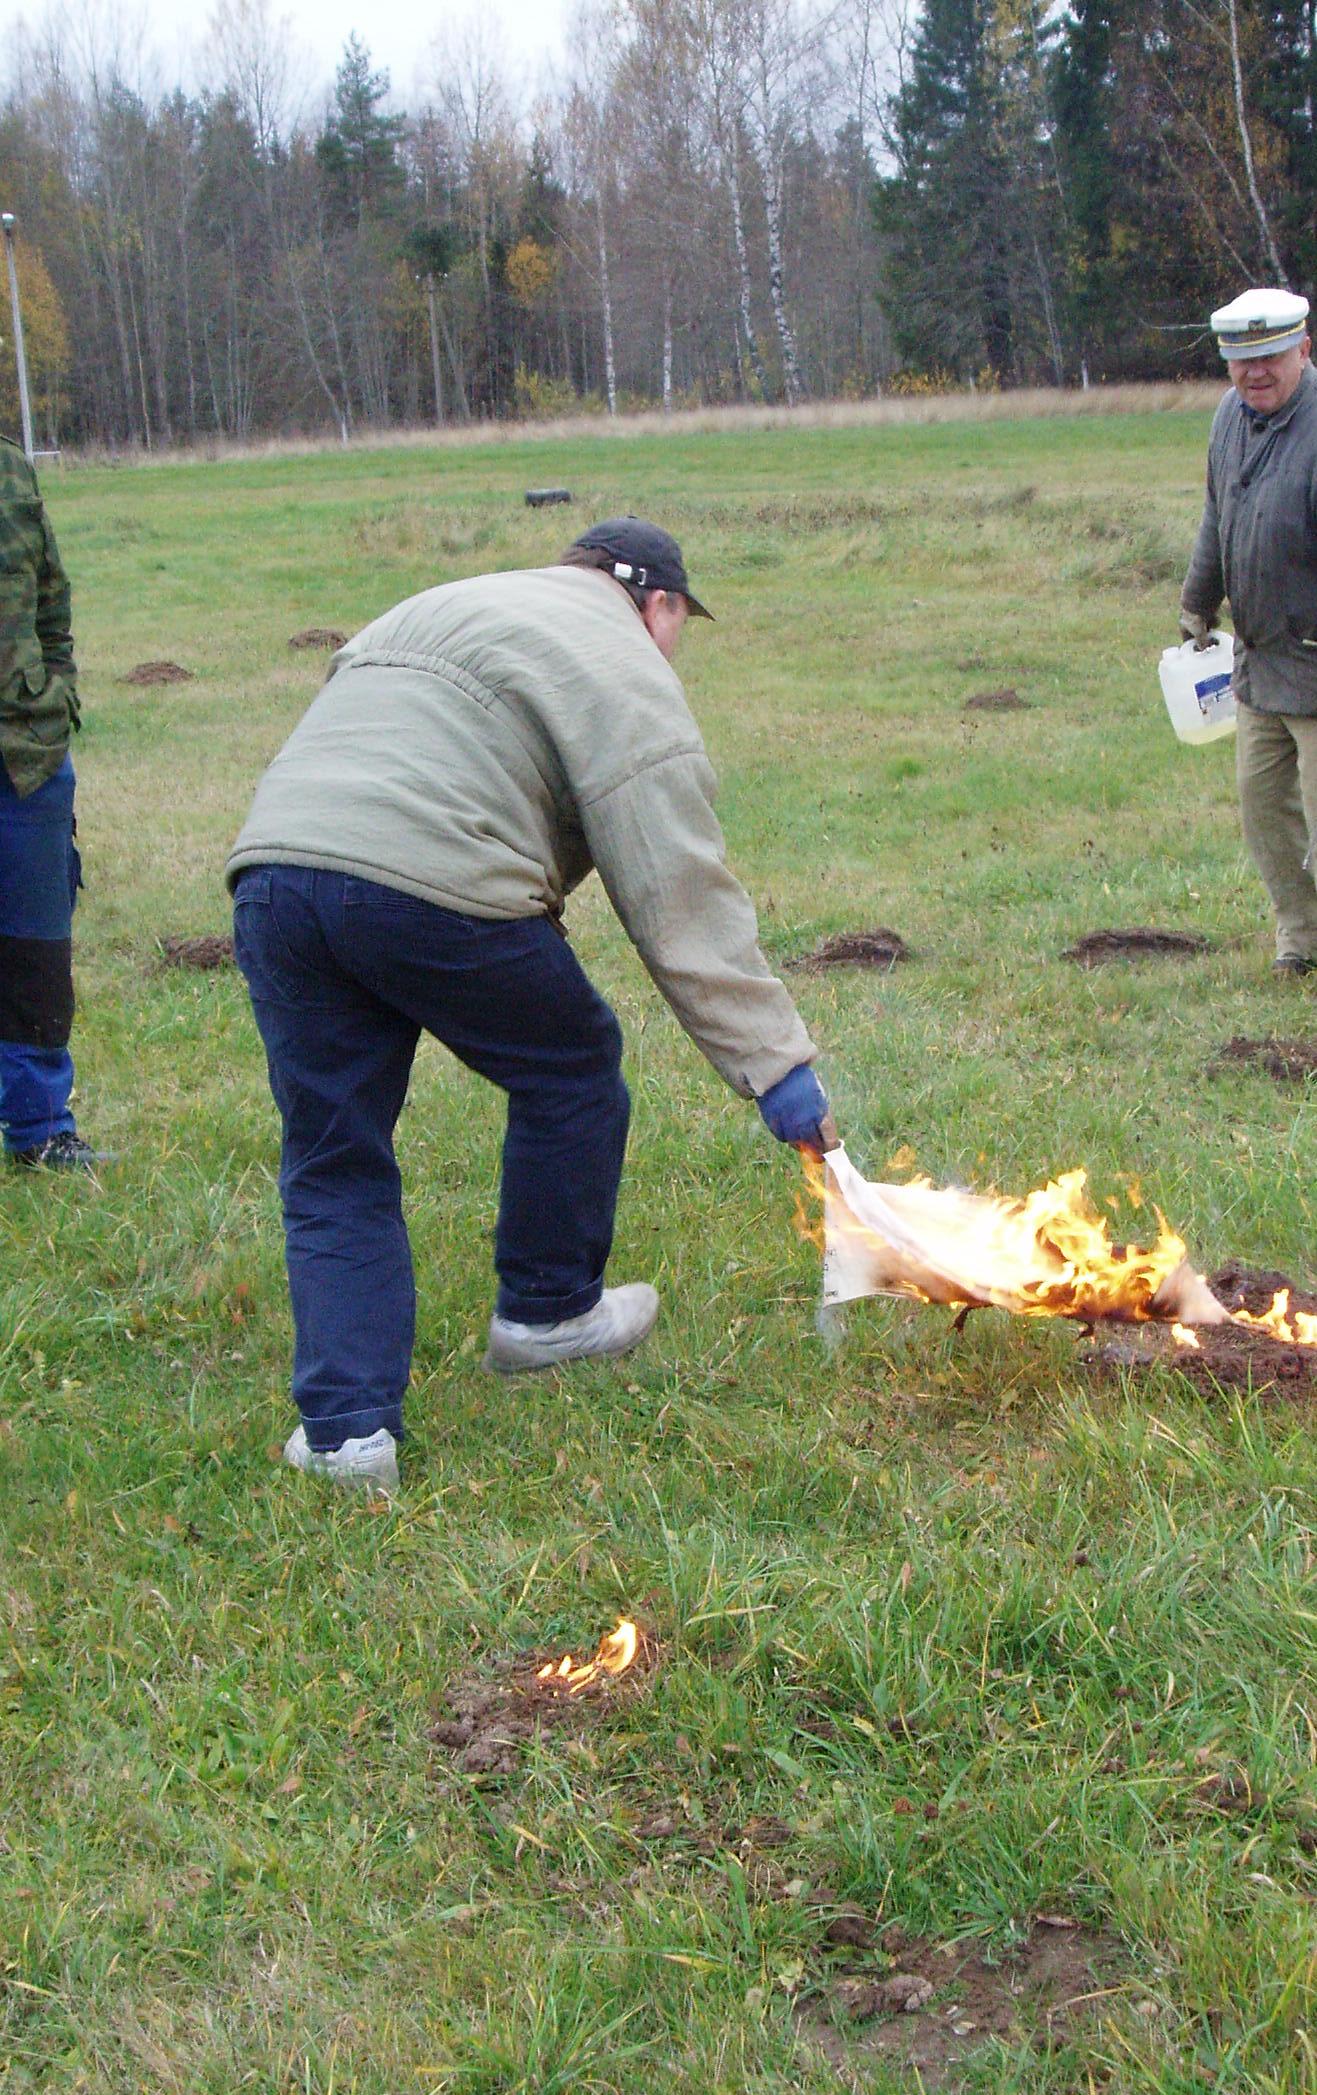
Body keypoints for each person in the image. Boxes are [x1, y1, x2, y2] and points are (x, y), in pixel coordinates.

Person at [226, 518, 830, 1497]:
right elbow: (678, 888)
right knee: (572, 1069)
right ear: (659, 603)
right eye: (682, 622)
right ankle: (548, 1315)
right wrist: (779, 1071)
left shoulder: (449, 601)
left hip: (275, 872)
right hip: (431, 881)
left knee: (334, 1155)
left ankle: (347, 1438)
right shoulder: (622, 659)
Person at [1180, 287, 1317, 991]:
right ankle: (1301, 942)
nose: (1256, 373)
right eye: (1241, 360)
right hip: (1260, 664)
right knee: (1265, 816)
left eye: (1271, 356)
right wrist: (1197, 602)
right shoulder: (1232, 416)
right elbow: (1219, 514)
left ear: (1304, 349)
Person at [1, 436, 95, 1171]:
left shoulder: (9, 464)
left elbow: (50, 595)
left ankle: (40, 1129)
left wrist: (53, 694)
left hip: (25, 750)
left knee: (35, 948)